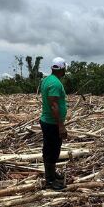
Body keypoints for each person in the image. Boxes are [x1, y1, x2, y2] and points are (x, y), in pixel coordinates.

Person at [39, 58, 68, 191]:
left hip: (49, 121)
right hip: (52, 123)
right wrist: (61, 125)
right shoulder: (55, 83)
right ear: (62, 69)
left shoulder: (47, 80)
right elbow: (54, 105)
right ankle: (50, 180)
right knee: (52, 150)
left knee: (51, 149)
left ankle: (51, 173)